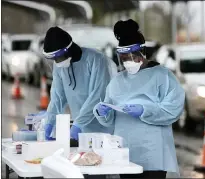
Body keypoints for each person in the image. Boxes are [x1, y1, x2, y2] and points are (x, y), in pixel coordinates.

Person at [93, 19, 185, 179]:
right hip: (125, 153)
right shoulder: (116, 82)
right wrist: (102, 112)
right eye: (124, 57)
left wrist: (146, 110)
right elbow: (109, 121)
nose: (129, 61)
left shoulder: (162, 76)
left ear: (142, 53)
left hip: (154, 154)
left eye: (133, 56)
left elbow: (174, 108)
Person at [42, 26, 115, 141]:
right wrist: (49, 123)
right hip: (81, 131)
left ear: (68, 50)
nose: (56, 62)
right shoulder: (60, 66)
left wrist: (78, 125)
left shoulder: (96, 59)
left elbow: (98, 96)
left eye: (58, 57)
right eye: (53, 59)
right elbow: (57, 98)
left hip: (103, 130)